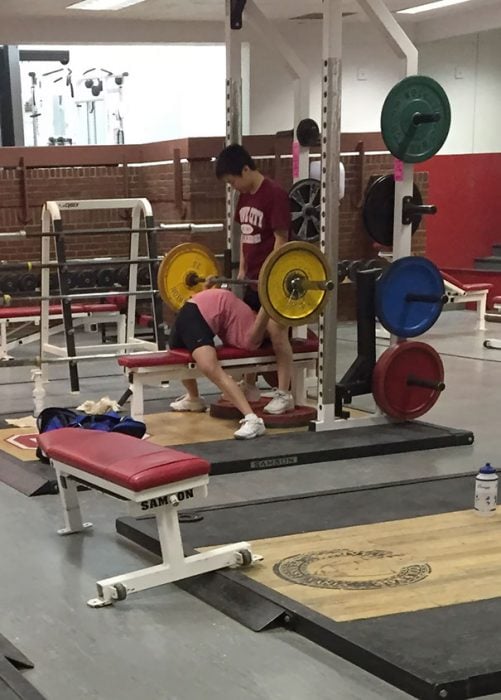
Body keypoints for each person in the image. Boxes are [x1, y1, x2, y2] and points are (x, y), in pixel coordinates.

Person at [214, 143, 294, 415]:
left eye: (233, 179)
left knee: (275, 332)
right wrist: (243, 269)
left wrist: (269, 276)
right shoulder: (244, 196)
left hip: (276, 279)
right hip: (251, 278)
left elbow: (281, 240)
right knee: (248, 332)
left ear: (246, 169)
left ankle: (284, 393)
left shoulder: (275, 195)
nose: (233, 186)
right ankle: (250, 385)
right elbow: (247, 237)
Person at [168, 286, 270, 440]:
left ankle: (253, 420)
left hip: (197, 309)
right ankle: (194, 398)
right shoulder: (247, 324)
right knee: (179, 352)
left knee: (209, 367)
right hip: (196, 307)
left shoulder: (249, 336)